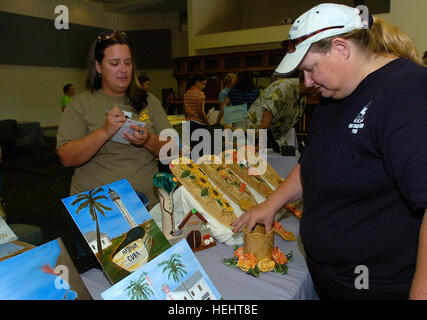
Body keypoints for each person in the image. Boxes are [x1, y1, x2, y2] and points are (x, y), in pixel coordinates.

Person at [232, 3, 427, 300]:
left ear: (341, 48)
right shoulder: (335, 93)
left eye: (310, 68)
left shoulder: (407, 91)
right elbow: (313, 162)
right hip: (330, 278)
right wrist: (271, 203)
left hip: (378, 286)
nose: (307, 82)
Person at [57, 30, 172, 207]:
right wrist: (105, 132)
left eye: (128, 62)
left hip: (149, 204)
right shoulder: (80, 104)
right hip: (99, 208)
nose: (124, 70)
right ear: (98, 67)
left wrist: (148, 140)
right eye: (114, 63)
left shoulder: (149, 101)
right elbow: (67, 158)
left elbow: (172, 150)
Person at [244, 74, 306, 152]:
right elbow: (267, 113)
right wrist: (261, 142)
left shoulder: (303, 98)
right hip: (256, 133)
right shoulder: (285, 86)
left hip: (271, 135)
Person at [183, 74, 209, 151]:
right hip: (198, 124)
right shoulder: (199, 94)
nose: (204, 87)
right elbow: (201, 112)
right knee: (200, 150)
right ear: (197, 82)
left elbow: (185, 110)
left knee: (191, 149)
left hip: (188, 123)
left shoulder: (187, 93)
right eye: (203, 84)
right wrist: (207, 122)